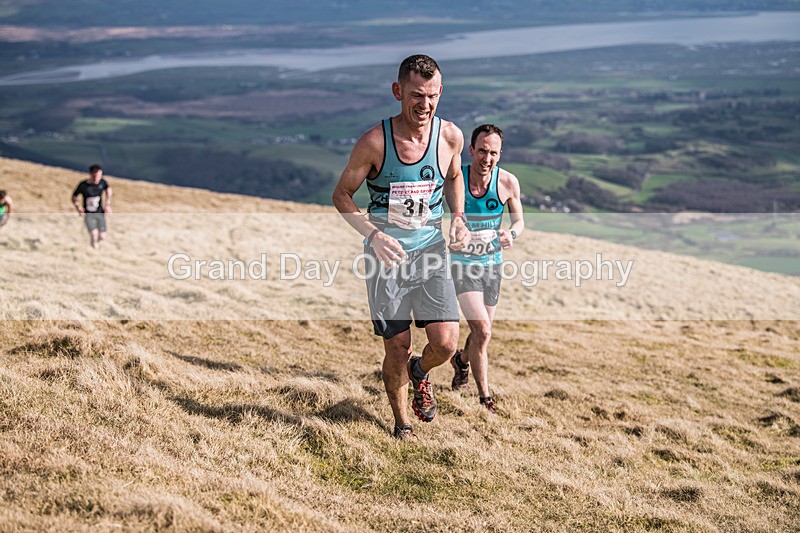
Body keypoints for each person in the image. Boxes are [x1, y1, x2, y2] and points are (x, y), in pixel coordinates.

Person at [332, 54, 470, 440]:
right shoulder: (375, 142)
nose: (425, 104)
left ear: (440, 93)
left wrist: (458, 215)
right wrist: (373, 235)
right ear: (398, 92)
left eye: (432, 95)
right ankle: (401, 423)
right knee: (398, 347)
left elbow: (454, 176)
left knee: (445, 344)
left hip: (431, 251)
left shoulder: (450, 136)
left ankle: (420, 372)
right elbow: (341, 195)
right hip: (386, 259)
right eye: (416, 95)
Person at [449, 124, 524, 413]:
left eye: (493, 153)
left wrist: (511, 235)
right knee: (482, 330)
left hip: (492, 266)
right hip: (462, 265)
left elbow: (519, 222)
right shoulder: (457, 178)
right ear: (471, 150)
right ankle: (485, 398)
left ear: (500, 154)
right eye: (482, 151)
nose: (487, 158)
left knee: (482, 332)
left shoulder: (507, 182)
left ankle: (461, 361)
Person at [72, 164, 112, 251]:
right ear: (90, 174)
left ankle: (94, 244)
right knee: (94, 234)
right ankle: (94, 251)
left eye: (99, 176)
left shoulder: (102, 183)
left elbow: (108, 190)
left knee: (102, 236)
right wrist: (78, 207)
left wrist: (108, 204)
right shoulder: (83, 185)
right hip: (88, 213)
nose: (97, 178)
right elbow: (74, 197)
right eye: (95, 176)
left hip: (100, 212)